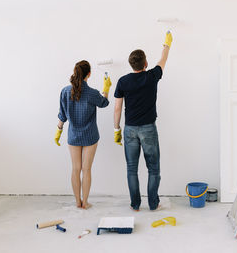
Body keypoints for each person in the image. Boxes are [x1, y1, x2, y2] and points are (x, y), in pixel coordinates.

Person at [113, 31, 172, 211]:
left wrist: (116, 129)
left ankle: (135, 205)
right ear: (145, 63)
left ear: (131, 64)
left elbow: (117, 108)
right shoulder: (152, 76)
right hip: (148, 129)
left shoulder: (122, 81)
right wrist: (167, 44)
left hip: (129, 129)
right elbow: (163, 59)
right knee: (153, 169)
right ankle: (153, 204)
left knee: (132, 169)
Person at [54, 60, 112, 209]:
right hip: (90, 136)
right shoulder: (92, 93)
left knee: (75, 169)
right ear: (89, 74)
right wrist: (106, 88)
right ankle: (85, 202)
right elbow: (104, 103)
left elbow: (62, 115)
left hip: (73, 136)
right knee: (86, 169)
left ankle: (77, 201)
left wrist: (58, 131)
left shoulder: (65, 91)